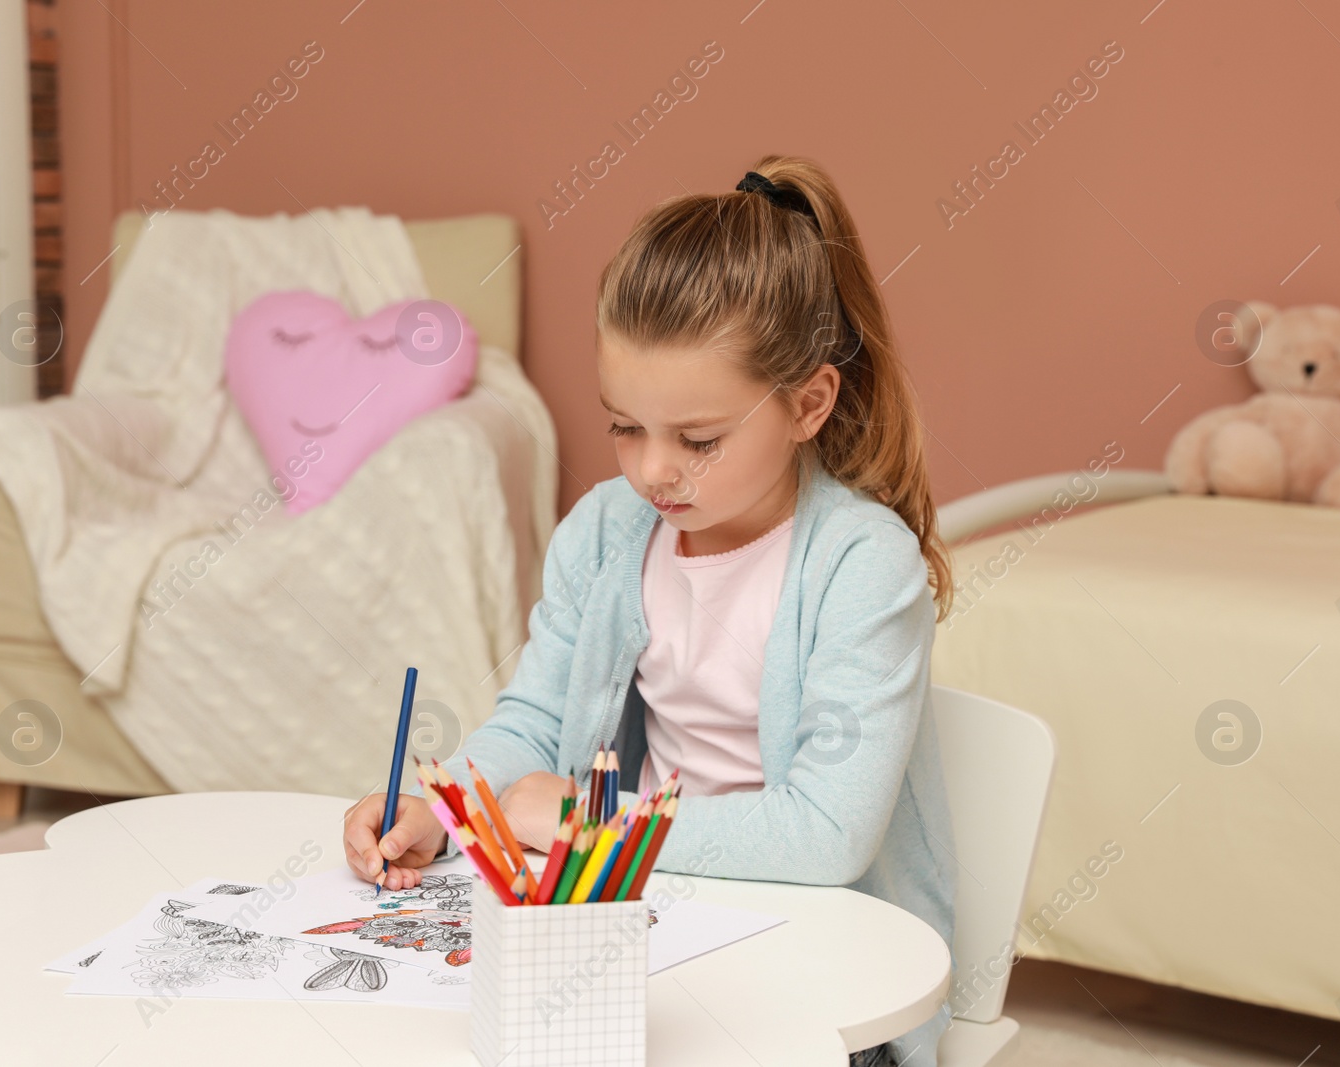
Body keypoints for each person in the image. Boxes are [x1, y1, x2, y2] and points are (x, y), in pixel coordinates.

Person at [344, 155, 957, 1067]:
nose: (652, 470)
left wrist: (599, 829)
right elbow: (539, 717)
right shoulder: (605, 530)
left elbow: (828, 835)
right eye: (624, 426)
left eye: (699, 439)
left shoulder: (862, 566)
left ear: (808, 404)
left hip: (823, 973)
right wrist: (444, 805)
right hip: (657, 924)